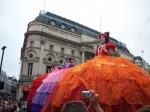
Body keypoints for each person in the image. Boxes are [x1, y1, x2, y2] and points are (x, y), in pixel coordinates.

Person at [42, 32, 150, 112]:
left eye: (102, 37)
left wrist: (107, 51)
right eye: (100, 37)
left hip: (108, 62)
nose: (101, 39)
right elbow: (96, 55)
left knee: (110, 79)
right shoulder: (98, 47)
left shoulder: (109, 45)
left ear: (106, 38)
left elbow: (114, 55)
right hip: (97, 62)